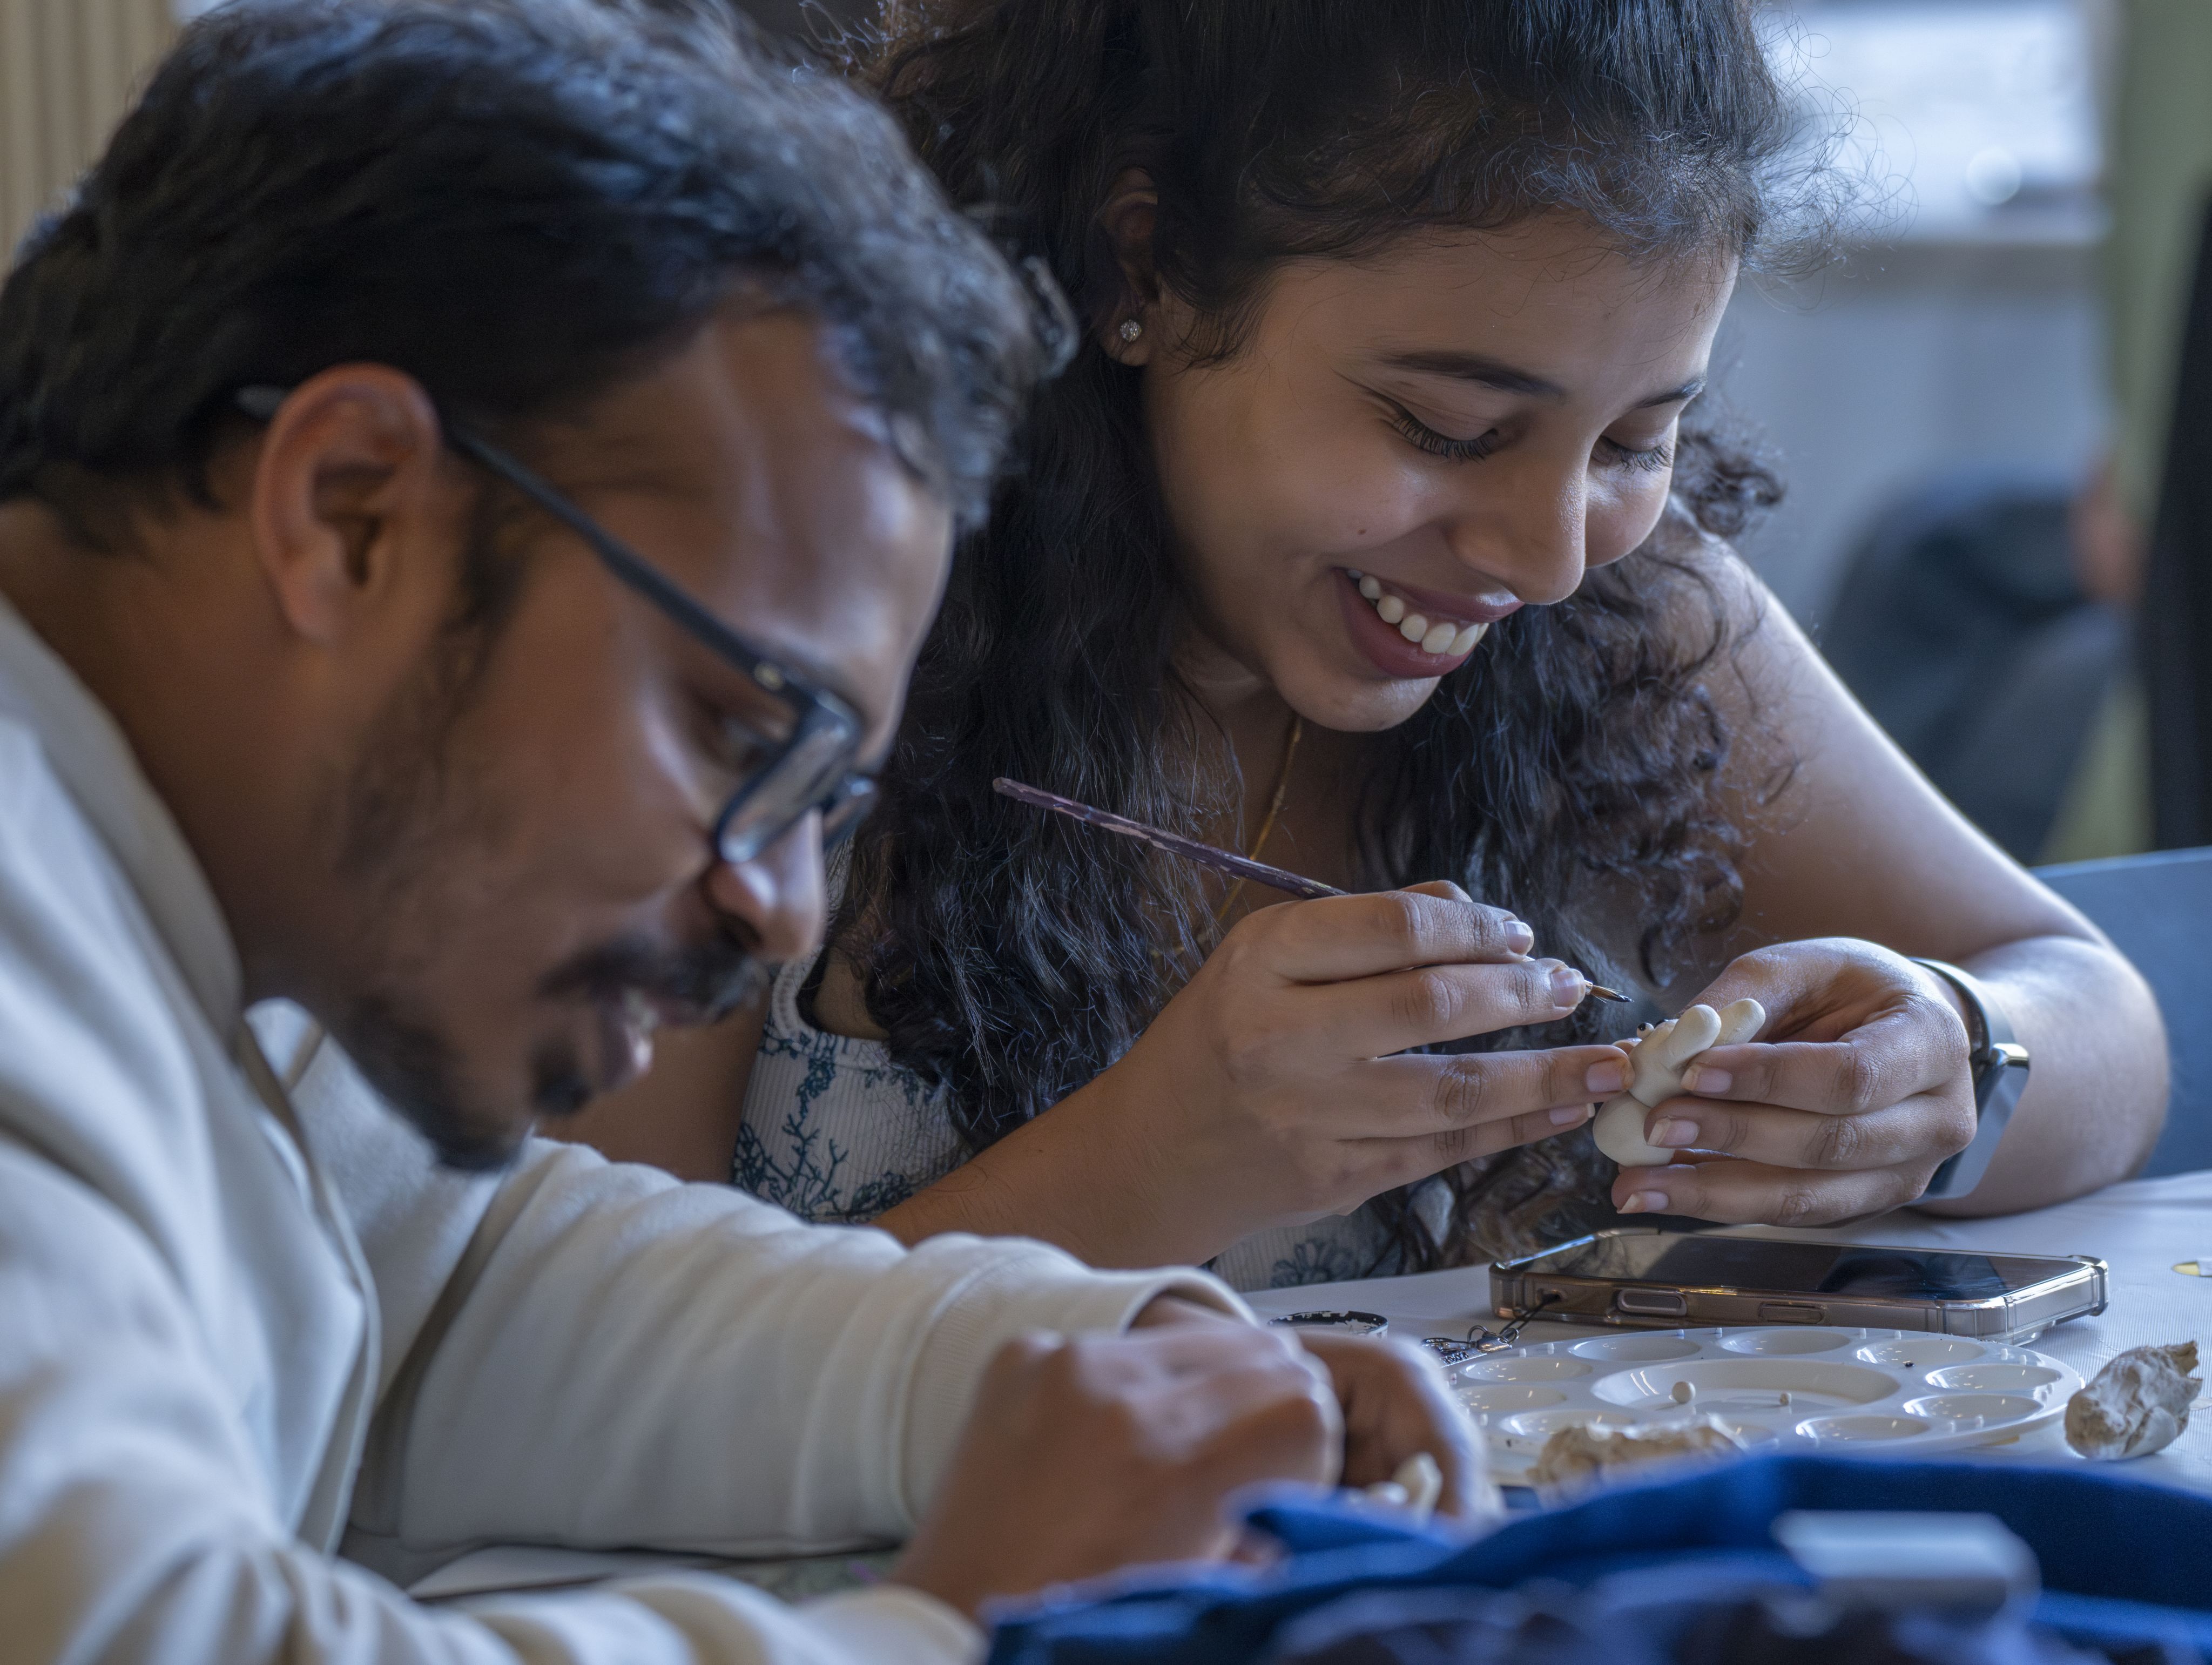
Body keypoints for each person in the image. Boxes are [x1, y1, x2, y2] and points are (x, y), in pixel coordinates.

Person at [0, 4, 1480, 1662]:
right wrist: (941, 1623)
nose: (778, 907)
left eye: (826, 800)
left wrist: (1102, 1363)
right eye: (738, 729)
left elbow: (456, 1290)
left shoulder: (202, 881)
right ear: (350, 510)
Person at [572, 0, 2169, 1292]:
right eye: (1448, 426)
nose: (1547, 555)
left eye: (1635, 438)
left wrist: (1952, 1067)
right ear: (1143, 269)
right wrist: (1142, 1169)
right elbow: (562, 1396)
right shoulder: (787, 628)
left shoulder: (1628, 614)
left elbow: (2094, 1004)